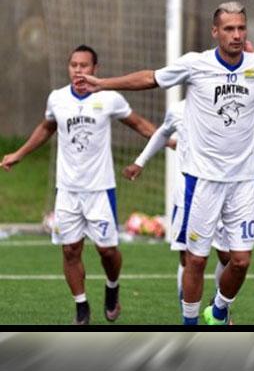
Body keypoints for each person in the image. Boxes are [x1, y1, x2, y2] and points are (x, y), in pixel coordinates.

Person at [74, 1, 254, 325]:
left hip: (241, 185)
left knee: (240, 261)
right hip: (202, 181)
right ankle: (191, 325)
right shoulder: (196, 64)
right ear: (215, 32)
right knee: (195, 260)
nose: (236, 35)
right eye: (229, 29)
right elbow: (151, 78)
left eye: (241, 28)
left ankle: (219, 309)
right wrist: (103, 82)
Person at [1, 45, 156, 325]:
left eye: (84, 65)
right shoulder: (57, 98)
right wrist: (19, 154)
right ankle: (81, 307)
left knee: (107, 251)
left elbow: (138, 124)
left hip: (100, 190)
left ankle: (112, 287)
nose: (78, 70)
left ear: (95, 69)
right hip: (67, 190)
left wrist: (168, 140)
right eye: (74, 65)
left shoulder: (109, 98)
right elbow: (47, 127)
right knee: (70, 250)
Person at [121, 99, 254, 323]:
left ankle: (219, 308)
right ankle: (189, 316)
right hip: (189, 192)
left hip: (228, 192)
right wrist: (140, 162)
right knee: (189, 259)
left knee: (230, 257)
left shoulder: (228, 108)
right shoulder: (178, 110)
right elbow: (162, 134)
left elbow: (241, 146)